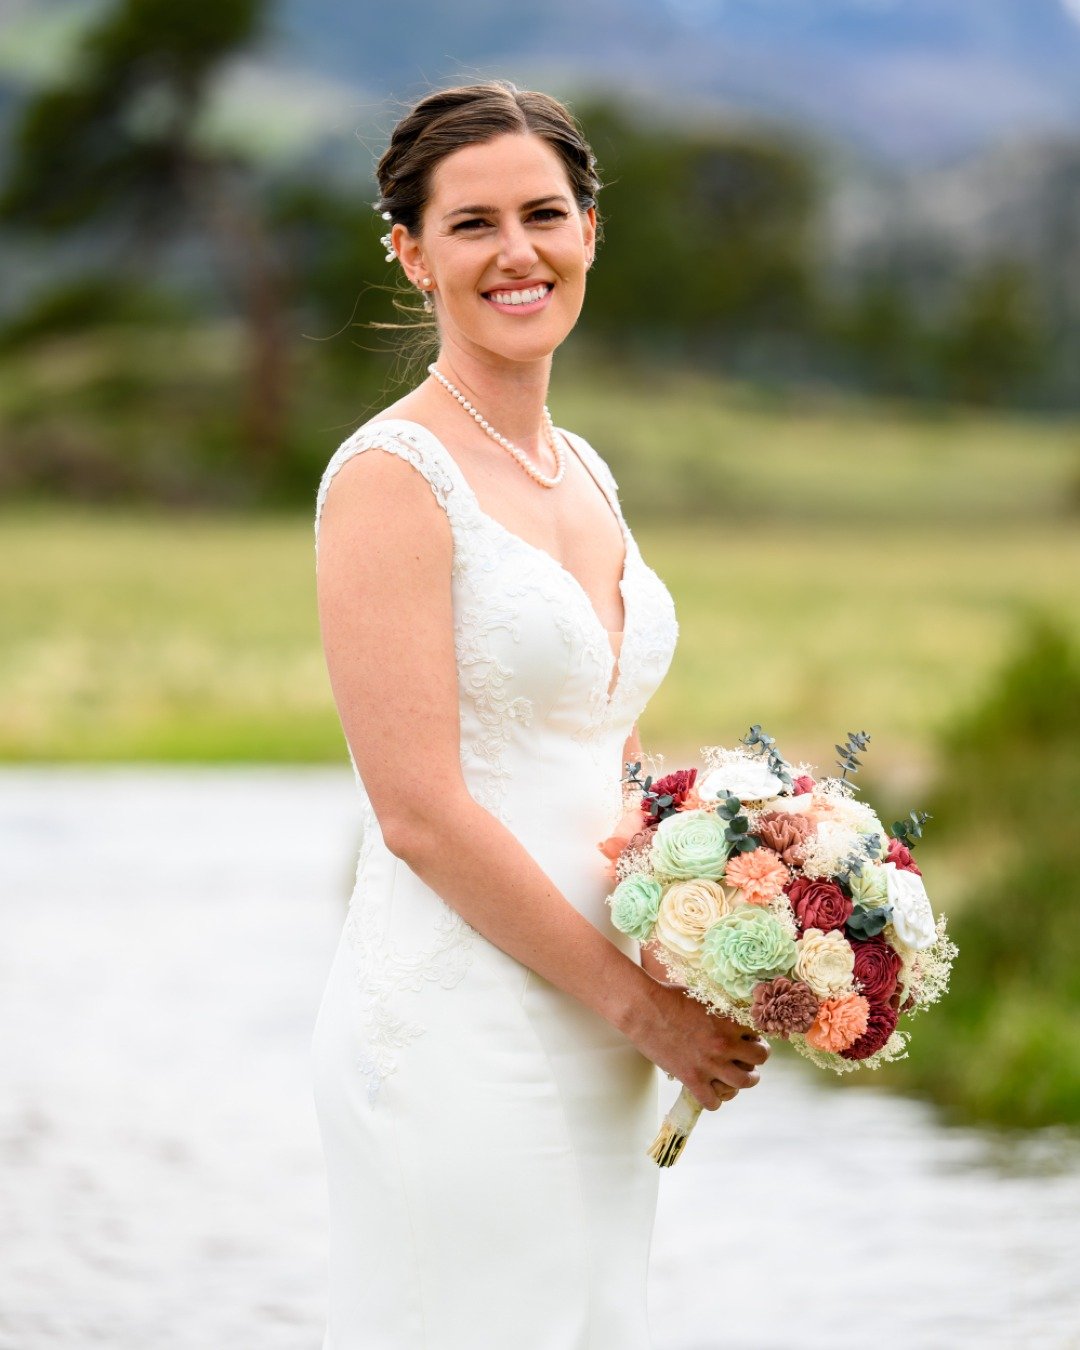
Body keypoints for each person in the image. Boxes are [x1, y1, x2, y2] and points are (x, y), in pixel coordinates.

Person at [311, 80, 769, 1349]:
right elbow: (419, 814)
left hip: (609, 1020)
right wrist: (644, 1009)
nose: (517, 252)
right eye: (471, 225)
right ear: (411, 253)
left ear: (589, 231)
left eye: (544, 214)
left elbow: (601, 751)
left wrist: (735, 915)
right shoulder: (392, 479)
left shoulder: (588, 472)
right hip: (467, 1019)